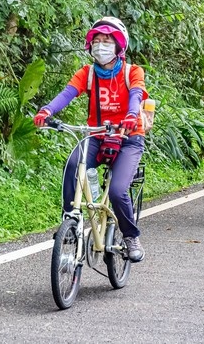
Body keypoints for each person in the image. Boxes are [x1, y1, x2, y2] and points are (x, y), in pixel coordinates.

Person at [33, 16, 148, 262]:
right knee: (72, 165)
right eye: (97, 40)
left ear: (119, 46)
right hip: (96, 135)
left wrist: (130, 115)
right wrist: (47, 110)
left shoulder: (132, 72)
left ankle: (130, 236)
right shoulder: (87, 73)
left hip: (128, 137)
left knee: (118, 191)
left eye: (107, 40)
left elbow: (136, 94)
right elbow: (67, 93)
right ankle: (70, 218)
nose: (101, 45)